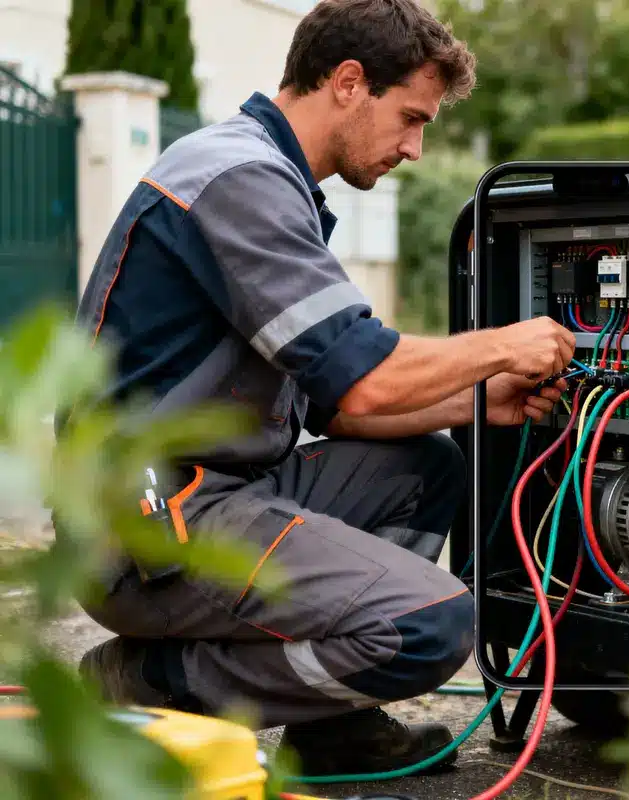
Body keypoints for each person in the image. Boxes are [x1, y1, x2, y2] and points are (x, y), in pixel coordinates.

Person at [66, 0, 575, 778]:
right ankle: (158, 681)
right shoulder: (238, 179)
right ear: (346, 82)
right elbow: (366, 378)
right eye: (410, 117)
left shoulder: (271, 179)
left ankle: (333, 728)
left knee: (428, 466)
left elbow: (337, 404)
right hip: (142, 524)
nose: (414, 148)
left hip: (213, 486)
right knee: (430, 625)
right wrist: (503, 346)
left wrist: (481, 400)